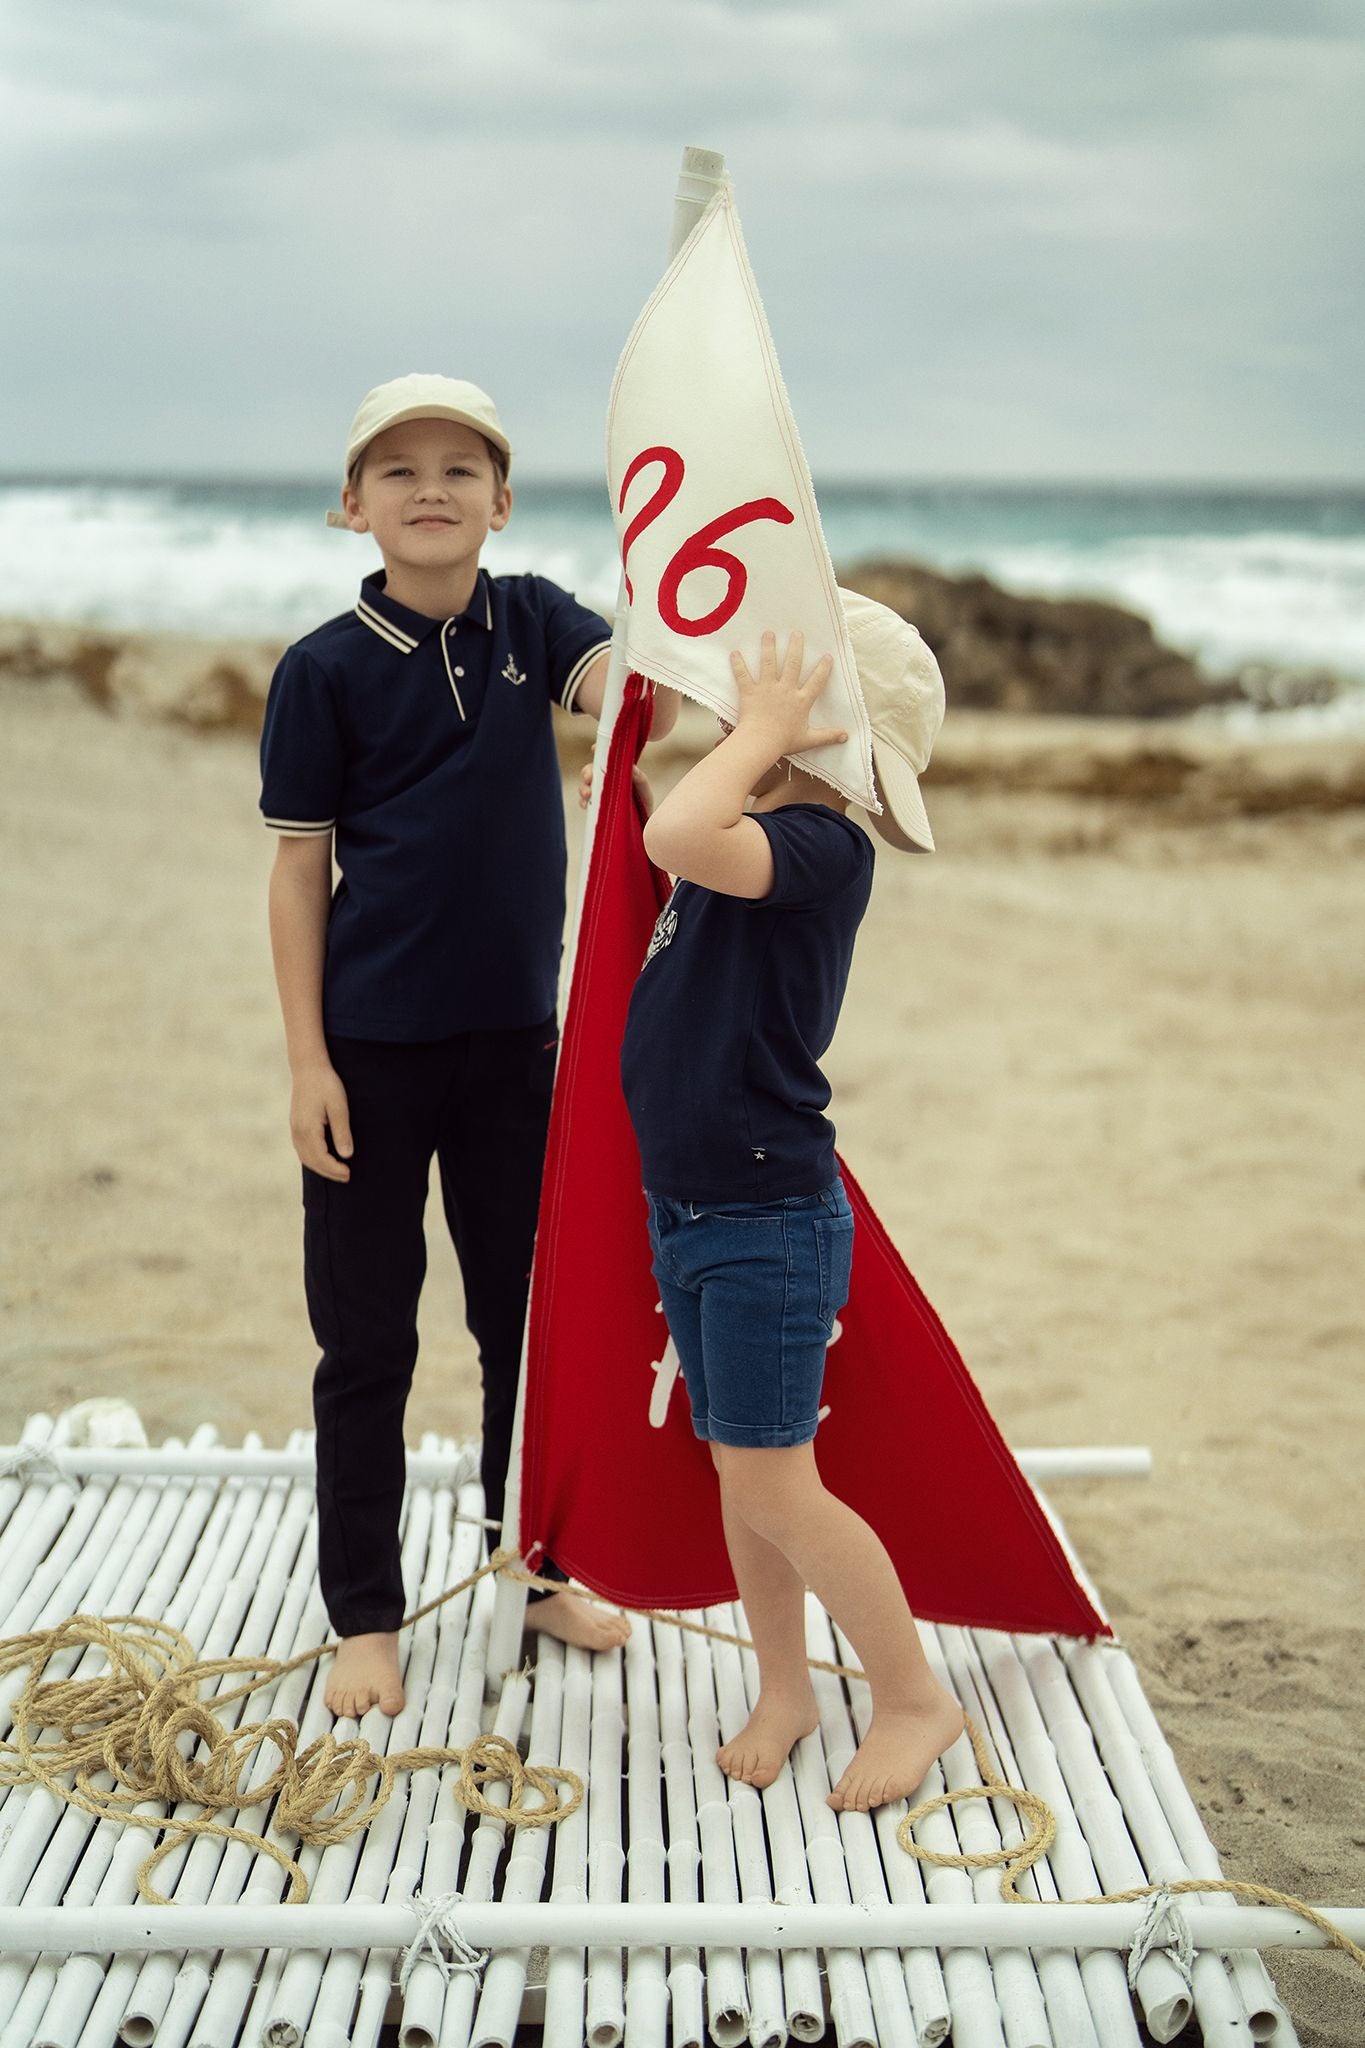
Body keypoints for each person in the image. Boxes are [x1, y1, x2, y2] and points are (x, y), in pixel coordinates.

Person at [261, 374, 672, 1718]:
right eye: (397, 470)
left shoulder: (532, 617)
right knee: (367, 1343)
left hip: (515, 1052)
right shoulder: (320, 672)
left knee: (525, 1329)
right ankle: (366, 1614)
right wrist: (308, 1062)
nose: (429, 488)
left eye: (458, 468)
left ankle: (534, 1568)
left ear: (500, 501)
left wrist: (655, 641)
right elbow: (296, 876)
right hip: (371, 1057)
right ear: (352, 506)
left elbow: (621, 691)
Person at [618, 599, 966, 1812]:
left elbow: (674, 826)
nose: (731, 702)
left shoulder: (823, 851)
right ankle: (787, 1683)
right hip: (697, 1215)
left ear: (813, 736)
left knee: (775, 1482)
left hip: (766, 1222)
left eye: (762, 694)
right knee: (741, 1471)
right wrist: (741, 734)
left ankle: (916, 1694)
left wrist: (758, 732)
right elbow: (677, 817)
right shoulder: (760, 828)